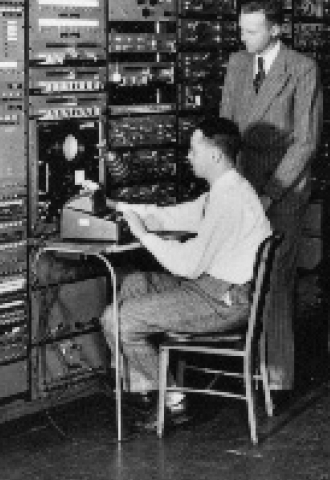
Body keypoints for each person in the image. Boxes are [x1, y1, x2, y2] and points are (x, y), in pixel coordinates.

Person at [101, 116, 272, 430]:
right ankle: (147, 391)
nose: (188, 156)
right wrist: (119, 207)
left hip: (222, 301)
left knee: (117, 319)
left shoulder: (229, 200)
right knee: (136, 284)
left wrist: (143, 235)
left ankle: (173, 402)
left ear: (214, 155)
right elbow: (174, 216)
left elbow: (187, 265)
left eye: (194, 149)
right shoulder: (227, 190)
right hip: (217, 290)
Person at [220, 0, 322, 393]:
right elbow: (225, 128)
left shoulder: (301, 68)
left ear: (276, 30)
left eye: (252, 30)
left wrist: (269, 194)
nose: (243, 37)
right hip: (243, 185)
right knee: (237, 275)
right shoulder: (237, 63)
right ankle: (244, 370)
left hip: (283, 190)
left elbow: (306, 142)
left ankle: (276, 379)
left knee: (275, 278)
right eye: (241, 29)